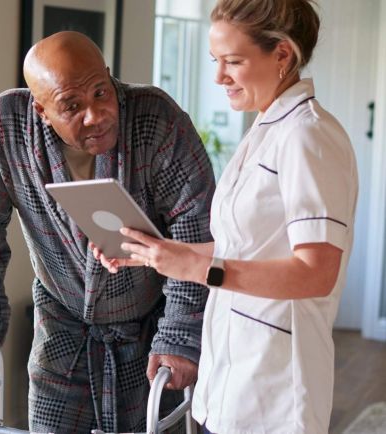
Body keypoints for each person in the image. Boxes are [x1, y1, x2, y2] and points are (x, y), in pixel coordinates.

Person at [93, 0, 358, 433]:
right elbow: (247, 247)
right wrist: (158, 253)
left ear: (282, 54)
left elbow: (317, 272)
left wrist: (197, 268)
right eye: (215, 60)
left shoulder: (308, 136)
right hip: (232, 381)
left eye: (233, 61)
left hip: (274, 394)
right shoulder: (266, 131)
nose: (219, 76)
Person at [0, 31, 215, 433]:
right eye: (72, 106)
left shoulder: (156, 119)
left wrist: (180, 334)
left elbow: (197, 231)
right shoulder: (2, 129)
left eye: (101, 93)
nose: (95, 115)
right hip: (61, 321)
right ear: (41, 111)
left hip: (153, 324)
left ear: (108, 76)